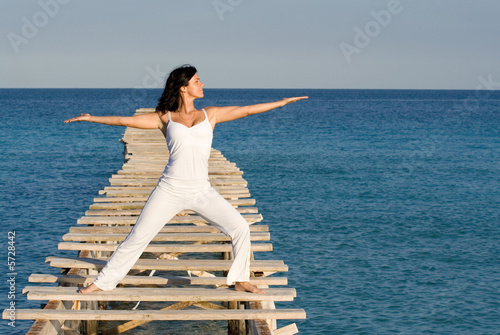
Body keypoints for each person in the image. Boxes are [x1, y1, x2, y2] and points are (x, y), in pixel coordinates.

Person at [64, 64, 308, 294]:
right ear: (183, 87)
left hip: (202, 191)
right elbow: (124, 121)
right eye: (197, 81)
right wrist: (91, 117)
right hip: (169, 189)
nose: (202, 84)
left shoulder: (210, 114)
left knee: (241, 227)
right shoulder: (165, 118)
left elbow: (245, 110)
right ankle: (103, 283)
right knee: (138, 236)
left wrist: (281, 103)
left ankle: (240, 280)